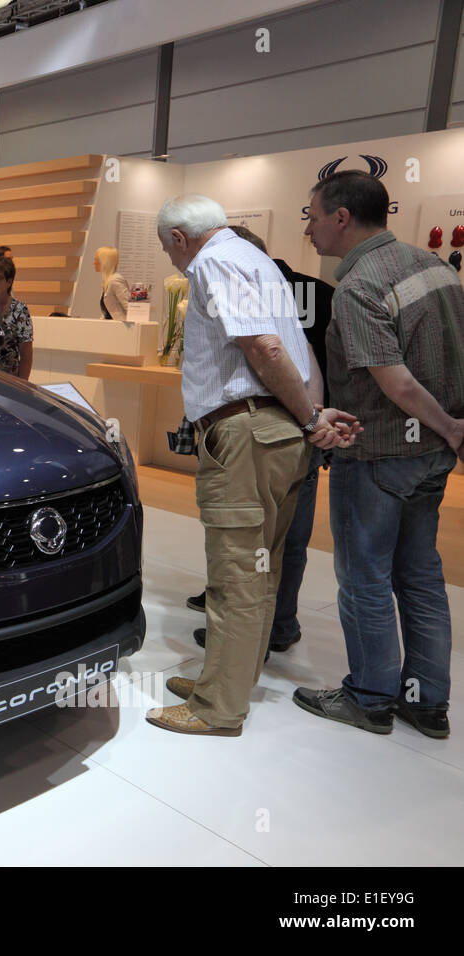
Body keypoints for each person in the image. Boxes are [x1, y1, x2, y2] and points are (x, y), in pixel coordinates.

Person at [144, 194, 360, 738]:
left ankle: (218, 706)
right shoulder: (259, 260)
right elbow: (294, 346)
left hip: (246, 433)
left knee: (238, 571)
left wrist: (311, 417)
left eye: (167, 249)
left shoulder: (213, 261)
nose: (172, 260)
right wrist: (311, 413)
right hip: (276, 432)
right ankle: (229, 678)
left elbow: (263, 347)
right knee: (262, 568)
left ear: (178, 238)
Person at [293, 171, 464, 739]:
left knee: (364, 576)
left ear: (342, 218)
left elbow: (399, 384)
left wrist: (449, 427)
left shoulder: (361, 285)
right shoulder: (436, 266)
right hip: (430, 458)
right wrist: (452, 434)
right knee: (418, 573)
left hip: (378, 456)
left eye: (313, 216)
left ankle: (369, 696)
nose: (310, 229)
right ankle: (426, 700)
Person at [187, 224, 336, 658]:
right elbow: (309, 358)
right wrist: (315, 423)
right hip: (304, 425)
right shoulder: (313, 290)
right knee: (275, 540)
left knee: (252, 544)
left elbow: (275, 353)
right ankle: (267, 628)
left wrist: (310, 421)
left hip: (273, 428)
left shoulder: (247, 285)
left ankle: (253, 636)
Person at [0, 255, 33, 378]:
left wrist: (23, 387)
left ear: (9, 281)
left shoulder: (20, 310)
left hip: (9, 381)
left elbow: (26, 355)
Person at [94, 246, 130, 320]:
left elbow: (128, 306)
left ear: (104, 261)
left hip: (121, 327)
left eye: (96, 260)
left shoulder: (115, 280)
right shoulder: (107, 281)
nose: (94, 263)